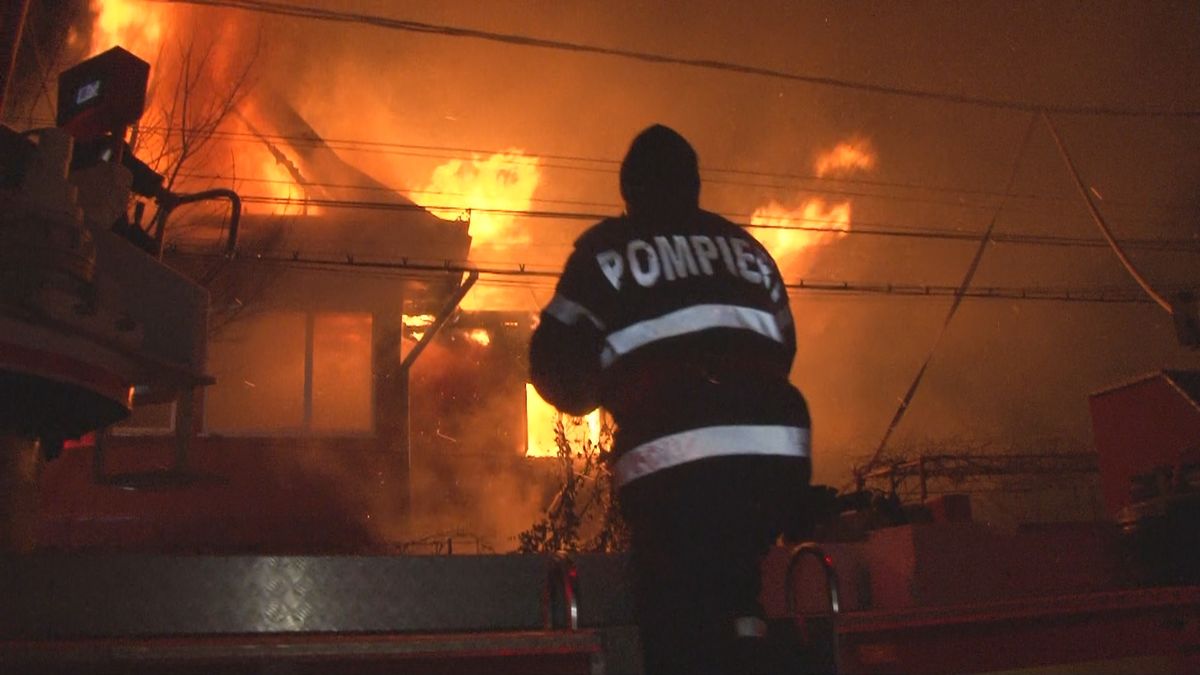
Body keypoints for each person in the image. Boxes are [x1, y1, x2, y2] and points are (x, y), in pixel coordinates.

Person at [530, 124, 812, 675]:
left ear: (629, 190)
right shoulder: (749, 251)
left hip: (676, 477)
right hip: (771, 467)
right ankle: (748, 640)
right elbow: (784, 347)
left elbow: (555, 365)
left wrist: (602, 391)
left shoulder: (607, 253)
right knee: (737, 582)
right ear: (695, 185)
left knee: (675, 609)